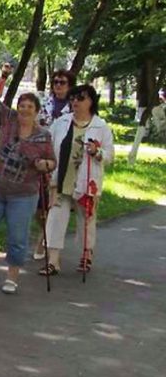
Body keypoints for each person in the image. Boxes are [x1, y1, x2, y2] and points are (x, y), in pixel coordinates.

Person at [0, 65, 57, 294]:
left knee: (17, 236)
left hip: (24, 194)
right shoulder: (8, 120)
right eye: (22, 105)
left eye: (30, 106)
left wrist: (44, 165)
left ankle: (12, 276)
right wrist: (3, 77)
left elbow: (52, 162)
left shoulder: (43, 136)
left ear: (37, 111)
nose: (25, 109)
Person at [40, 84, 114, 276]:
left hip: (87, 181)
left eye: (80, 98)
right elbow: (48, 143)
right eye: (72, 98)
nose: (75, 102)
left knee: (86, 219)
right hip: (61, 178)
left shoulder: (100, 126)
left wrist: (97, 152)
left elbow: (109, 155)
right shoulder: (62, 122)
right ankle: (53, 261)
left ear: (91, 101)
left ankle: (86, 255)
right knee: (56, 218)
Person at [33, 68, 75, 260]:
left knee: (52, 200)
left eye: (62, 82)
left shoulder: (74, 107)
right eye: (55, 82)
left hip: (62, 158)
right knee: (38, 203)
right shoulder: (44, 103)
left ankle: (43, 240)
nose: (58, 86)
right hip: (40, 155)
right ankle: (44, 232)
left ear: (69, 85)